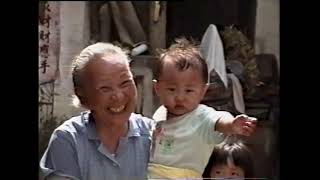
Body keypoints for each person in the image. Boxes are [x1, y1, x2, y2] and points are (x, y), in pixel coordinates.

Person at [39, 42, 154, 180]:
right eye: (105, 88)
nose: (118, 96)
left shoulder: (154, 135)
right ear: (82, 96)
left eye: (125, 83)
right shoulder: (68, 140)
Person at [148, 38, 257, 179]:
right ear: (157, 88)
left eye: (189, 91)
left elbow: (219, 120)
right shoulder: (160, 113)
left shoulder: (202, 116)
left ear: (203, 91)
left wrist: (232, 125)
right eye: (171, 89)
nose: (180, 97)